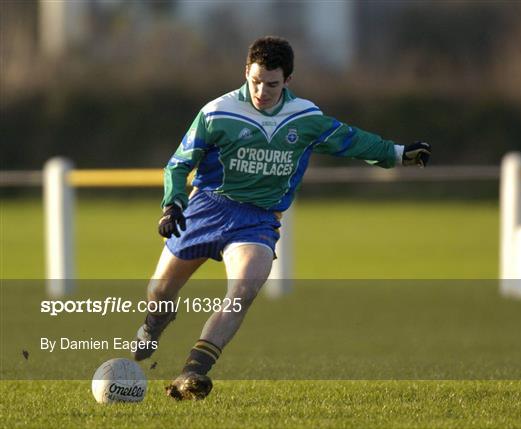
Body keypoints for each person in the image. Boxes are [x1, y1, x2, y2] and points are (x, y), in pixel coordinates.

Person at [133, 36, 431, 400]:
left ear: (288, 80)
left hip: (257, 220)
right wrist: (172, 204)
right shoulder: (217, 113)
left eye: (272, 83)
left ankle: (192, 373)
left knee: (244, 290)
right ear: (246, 72)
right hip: (206, 208)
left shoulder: (305, 118)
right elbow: (179, 164)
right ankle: (152, 326)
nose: (261, 90)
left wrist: (400, 154)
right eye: (255, 80)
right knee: (160, 292)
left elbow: (353, 141)